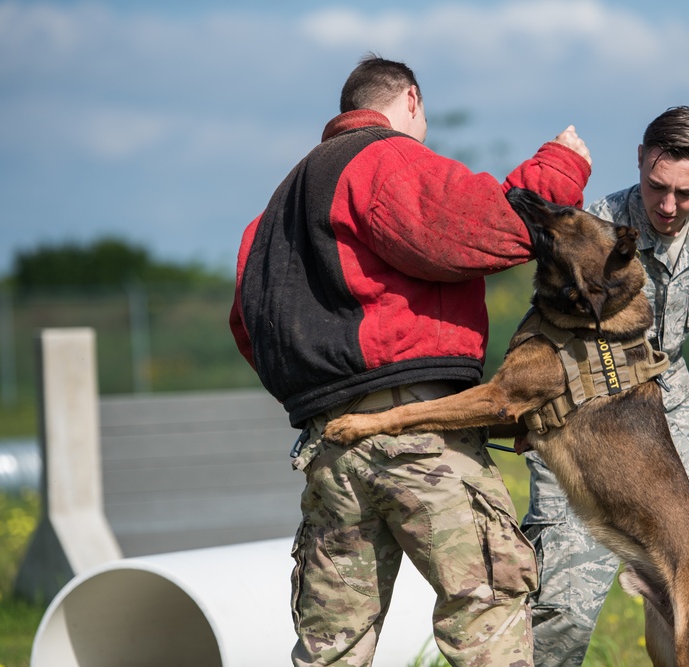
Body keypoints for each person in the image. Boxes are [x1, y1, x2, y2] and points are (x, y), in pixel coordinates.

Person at [228, 54, 592, 666]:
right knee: (488, 612)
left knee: (331, 646)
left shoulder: (274, 210)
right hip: (417, 433)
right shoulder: (383, 158)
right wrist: (559, 167)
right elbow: (481, 227)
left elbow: (249, 324)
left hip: (329, 446)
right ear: (412, 101)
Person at [522, 106, 689, 667]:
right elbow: (541, 333)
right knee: (560, 612)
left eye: (685, 193)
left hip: (675, 423)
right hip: (588, 425)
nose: (667, 206)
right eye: (656, 186)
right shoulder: (591, 227)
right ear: (640, 160)